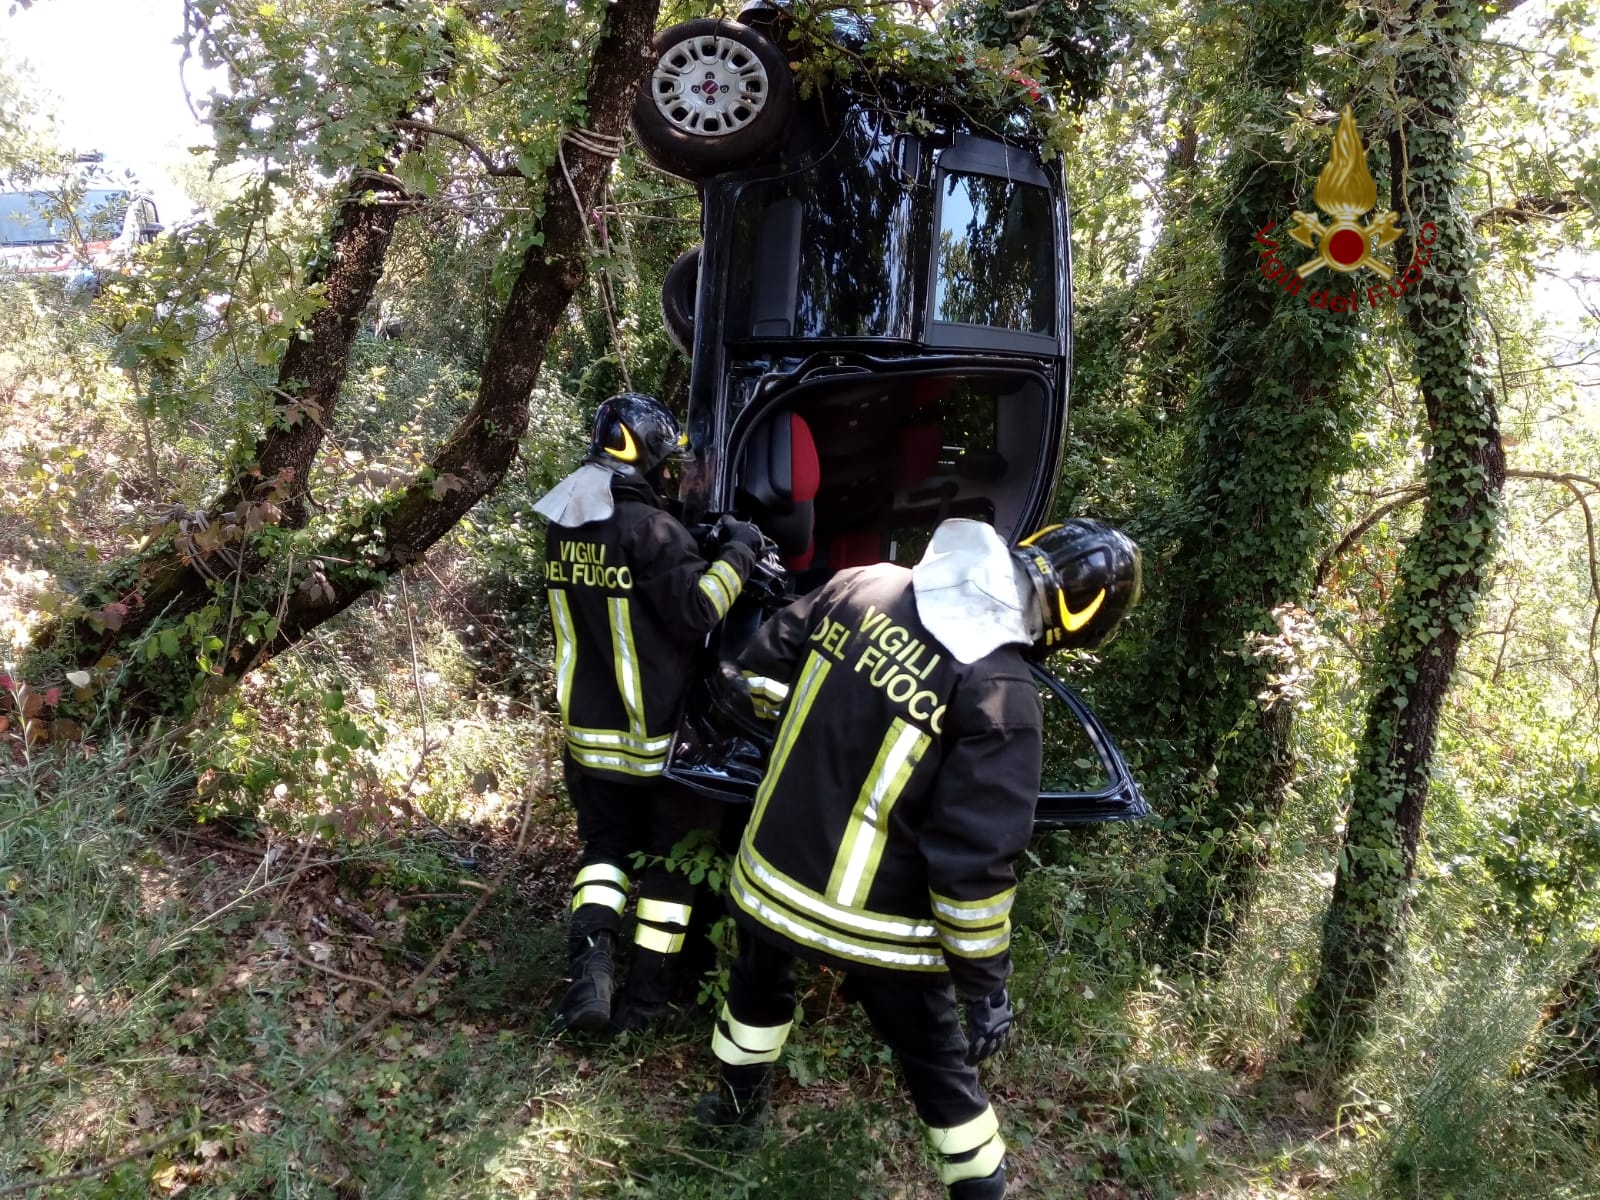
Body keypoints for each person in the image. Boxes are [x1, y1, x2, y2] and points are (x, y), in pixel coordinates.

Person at [695, 517, 1141, 1199]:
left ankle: (726, 1120)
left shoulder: (863, 584)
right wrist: (984, 984)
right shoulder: (1000, 690)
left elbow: (756, 679)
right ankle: (981, 1188)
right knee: (938, 1065)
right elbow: (972, 868)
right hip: (879, 928)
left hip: (771, 879)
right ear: (1081, 619)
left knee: (757, 991)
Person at [533, 392, 766, 1034]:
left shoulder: (566, 522)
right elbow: (696, 609)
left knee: (604, 853)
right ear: (647, 457)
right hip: (661, 741)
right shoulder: (653, 531)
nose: (669, 476)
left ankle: (589, 974)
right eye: (667, 465)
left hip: (590, 736)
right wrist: (738, 552)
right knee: (669, 867)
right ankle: (641, 1007)